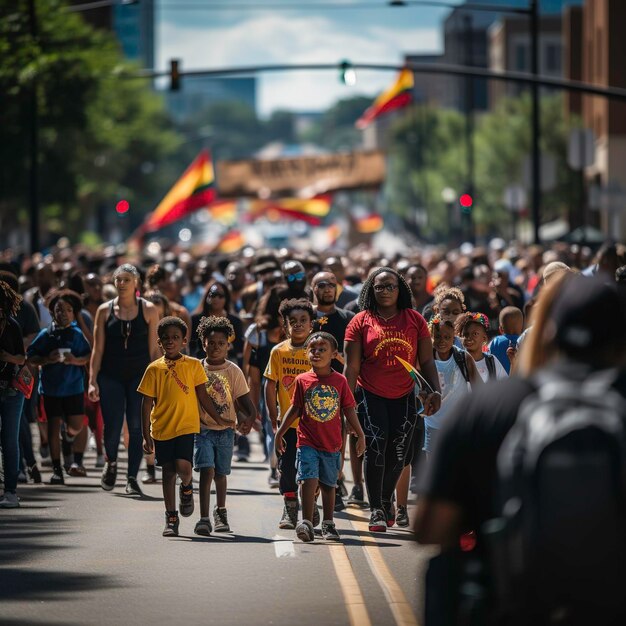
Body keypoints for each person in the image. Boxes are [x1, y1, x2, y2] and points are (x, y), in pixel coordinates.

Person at [414, 274, 626, 625]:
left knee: (445, 567)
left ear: (546, 333)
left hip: (512, 601)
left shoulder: (486, 406)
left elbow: (430, 528)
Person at [344, 267, 441, 532]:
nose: (384, 291)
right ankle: (376, 508)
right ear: (370, 291)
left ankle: (385, 501)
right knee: (375, 450)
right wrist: (347, 404)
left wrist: (435, 391)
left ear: (400, 290)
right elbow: (351, 368)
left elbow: (427, 360)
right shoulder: (360, 321)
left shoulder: (415, 320)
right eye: (379, 287)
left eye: (390, 286)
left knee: (399, 454)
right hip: (370, 395)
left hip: (405, 396)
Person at [275, 332, 365, 542]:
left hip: (332, 444)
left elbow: (349, 409)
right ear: (306, 353)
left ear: (334, 354)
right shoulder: (302, 380)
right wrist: (280, 432)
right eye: (312, 349)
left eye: (322, 349)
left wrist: (360, 434)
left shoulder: (340, 381)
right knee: (308, 479)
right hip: (307, 441)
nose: (316, 353)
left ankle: (328, 523)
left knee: (328, 484)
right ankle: (306, 522)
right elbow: (295, 408)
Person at [138, 316, 223, 537]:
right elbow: (146, 403)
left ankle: (187, 488)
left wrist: (218, 418)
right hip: (162, 428)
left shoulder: (194, 365)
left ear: (184, 341)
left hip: (186, 426)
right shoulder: (153, 369)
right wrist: (146, 435)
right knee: (167, 472)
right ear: (159, 342)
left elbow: (203, 396)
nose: (170, 341)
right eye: (165, 338)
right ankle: (171, 518)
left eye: (175, 338)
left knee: (184, 468)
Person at [88, 264, 160, 496]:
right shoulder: (104, 310)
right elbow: (97, 350)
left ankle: (132, 478)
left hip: (140, 377)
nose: (121, 284)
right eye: (118, 279)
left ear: (136, 283)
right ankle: (111, 463)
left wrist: (158, 383)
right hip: (110, 375)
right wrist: (92, 380)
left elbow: (153, 352)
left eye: (126, 280)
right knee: (112, 426)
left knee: (137, 426)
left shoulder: (148, 310)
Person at [193, 316, 255, 536]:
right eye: (211, 343)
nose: (216, 347)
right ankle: (203, 517)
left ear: (228, 345)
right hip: (202, 430)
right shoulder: (197, 367)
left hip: (227, 432)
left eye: (221, 343)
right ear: (203, 344)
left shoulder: (233, 371)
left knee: (220, 473)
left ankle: (220, 511)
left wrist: (250, 418)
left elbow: (244, 400)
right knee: (206, 471)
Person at [26, 290, 91, 484]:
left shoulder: (77, 334)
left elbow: (87, 356)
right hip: (51, 389)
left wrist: (75, 360)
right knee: (53, 428)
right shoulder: (46, 334)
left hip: (74, 388)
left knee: (77, 425)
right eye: (59, 310)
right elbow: (30, 357)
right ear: (52, 313)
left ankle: (68, 437)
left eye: (68, 310)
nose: (63, 313)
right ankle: (57, 471)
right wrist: (47, 359)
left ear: (73, 314)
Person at [264, 298, 315, 530]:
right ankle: (290, 507)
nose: (298, 325)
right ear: (285, 326)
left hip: (315, 423)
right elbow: (270, 385)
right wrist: (274, 420)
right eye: (293, 321)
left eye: (303, 320)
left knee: (311, 468)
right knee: (287, 469)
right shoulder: (278, 352)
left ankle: (310, 509)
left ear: (311, 324)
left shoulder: (317, 349)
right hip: (288, 424)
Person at [310, 270, 355, 510]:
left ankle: (335, 482)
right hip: (307, 386)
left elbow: (355, 357)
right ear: (313, 288)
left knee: (338, 438)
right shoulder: (304, 316)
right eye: (322, 284)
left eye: (332, 284)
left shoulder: (348, 318)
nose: (328, 289)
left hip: (337, 387)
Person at [423, 316, 481, 455]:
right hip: (433, 425)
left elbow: (479, 389)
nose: (442, 341)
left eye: (447, 337)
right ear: (432, 336)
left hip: (458, 425)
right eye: (438, 337)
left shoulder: (463, 358)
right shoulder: (426, 358)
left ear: (454, 337)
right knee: (434, 469)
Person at [0, 281, 26, 508]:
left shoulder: (12, 326)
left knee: (10, 439)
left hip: (11, 389)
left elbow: (21, 358)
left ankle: (10, 491)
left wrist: (5, 356)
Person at [456, 312, 507, 382]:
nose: (469, 338)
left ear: (484, 339)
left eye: (475, 334)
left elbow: (504, 386)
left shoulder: (492, 361)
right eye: (465, 334)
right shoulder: (456, 362)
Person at [488, 306, 523, 374]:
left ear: (500, 329)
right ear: (522, 327)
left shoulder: (495, 342)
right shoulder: (524, 341)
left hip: (499, 383)